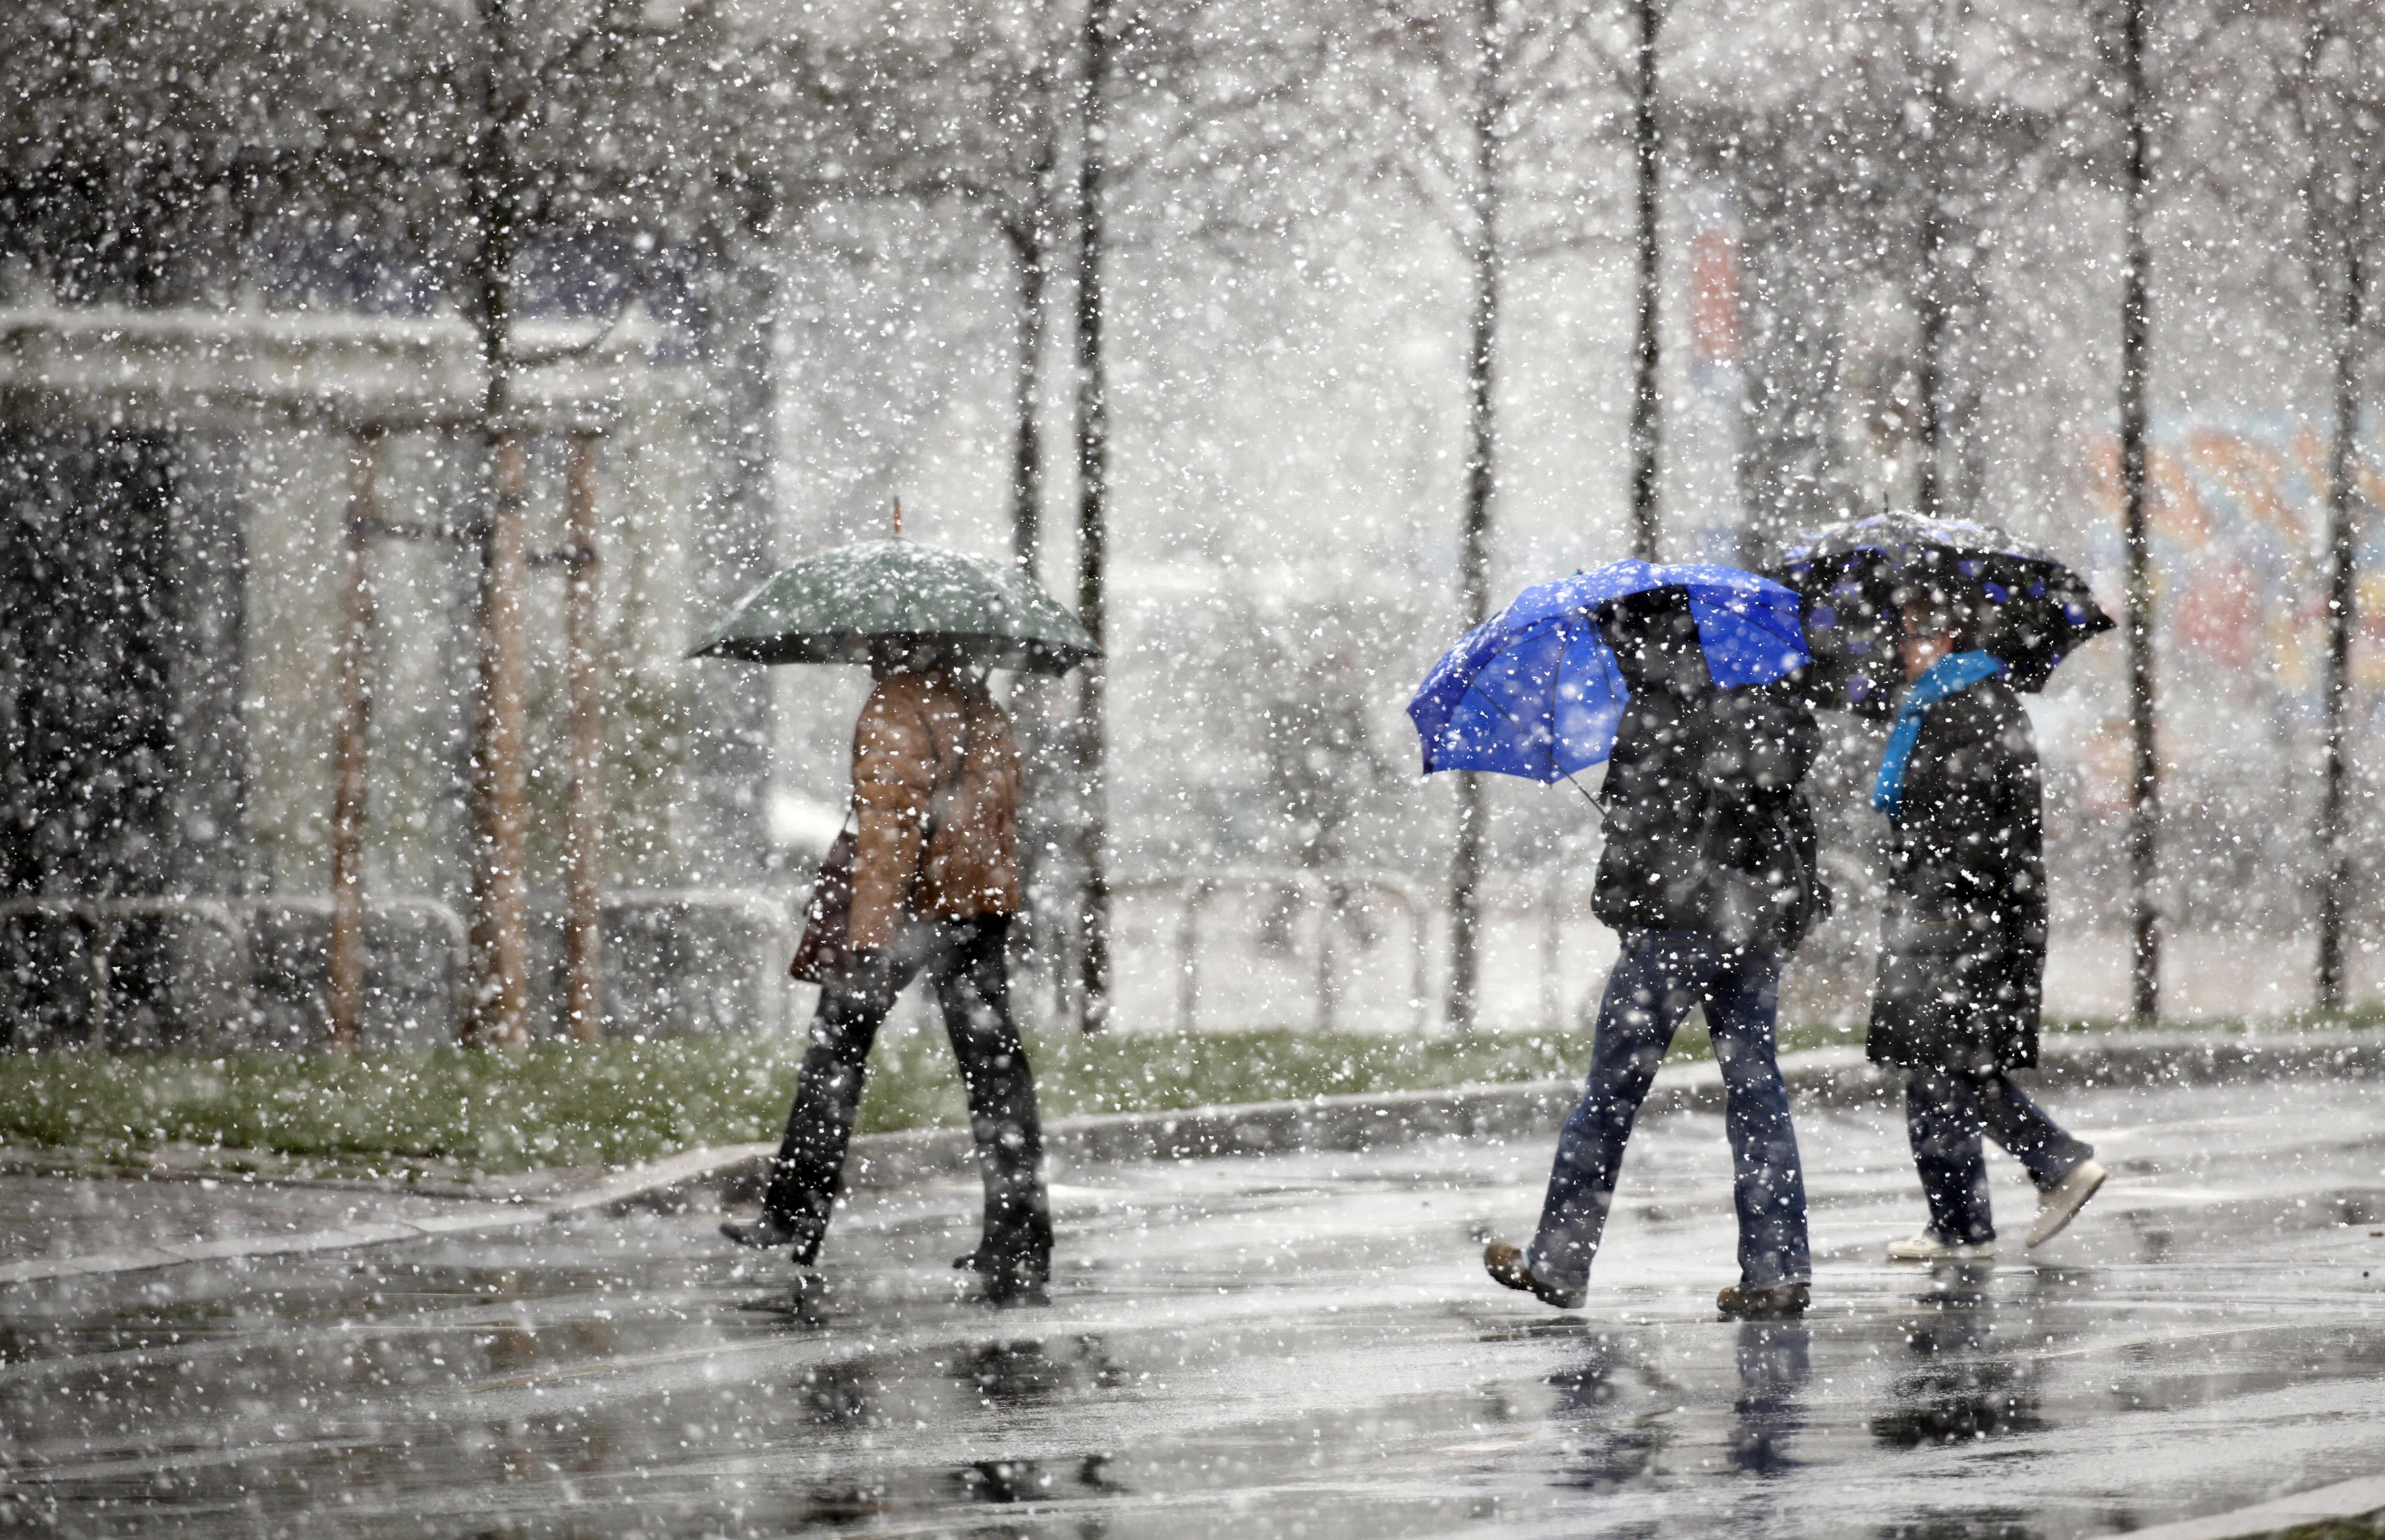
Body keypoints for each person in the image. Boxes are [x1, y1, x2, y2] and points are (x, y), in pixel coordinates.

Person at [1485, 585, 1830, 1321]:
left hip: (1673, 932)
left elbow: (1639, 842)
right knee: (1756, 1093)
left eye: (1613, 637)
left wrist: (1618, 899)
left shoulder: (1655, 711)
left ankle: (1560, 1257)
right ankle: (1777, 1269)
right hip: (1753, 928)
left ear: (1638, 635)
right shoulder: (1762, 701)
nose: (1610, 649)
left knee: (1609, 1095)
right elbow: (1793, 818)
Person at [722, 640, 1053, 1305]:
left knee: (834, 1054)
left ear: (897, 643)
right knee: (995, 1072)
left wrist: (869, 935)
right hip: (978, 904)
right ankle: (1019, 1236)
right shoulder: (981, 703)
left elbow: (889, 831)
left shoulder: (896, 707)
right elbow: (998, 812)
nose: (867, 650)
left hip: (910, 909)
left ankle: (792, 1215)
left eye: (878, 641)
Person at [1869, 596, 2104, 1262]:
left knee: (1947, 1063)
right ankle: (1961, 1222)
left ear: (1946, 636)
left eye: (1911, 635)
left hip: (1958, 917)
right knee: (1940, 1063)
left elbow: (1966, 833)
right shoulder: (1951, 706)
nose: (1899, 650)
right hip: (1961, 913)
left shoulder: (1962, 709)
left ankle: (2053, 1163)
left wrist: (1930, 890)